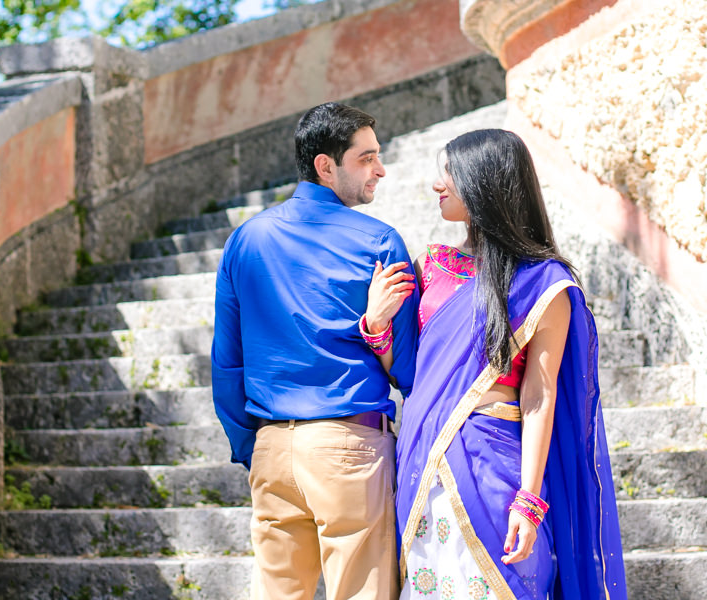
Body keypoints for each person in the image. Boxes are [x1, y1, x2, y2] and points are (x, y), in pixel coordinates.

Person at [363, 129, 627, 599]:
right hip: (424, 460)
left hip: (495, 468)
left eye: (449, 172)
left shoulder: (543, 282)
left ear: (485, 182)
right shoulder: (434, 267)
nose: (436, 184)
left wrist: (529, 499)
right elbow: (408, 372)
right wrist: (377, 323)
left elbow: (540, 395)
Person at [212, 102, 419, 600]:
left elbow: (226, 363)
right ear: (326, 166)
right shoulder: (378, 243)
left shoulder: (245, 240)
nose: (381, 169)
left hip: (270, 451)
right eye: (366, 158)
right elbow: (409, 370)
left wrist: (253, 447)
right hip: (348, 446)